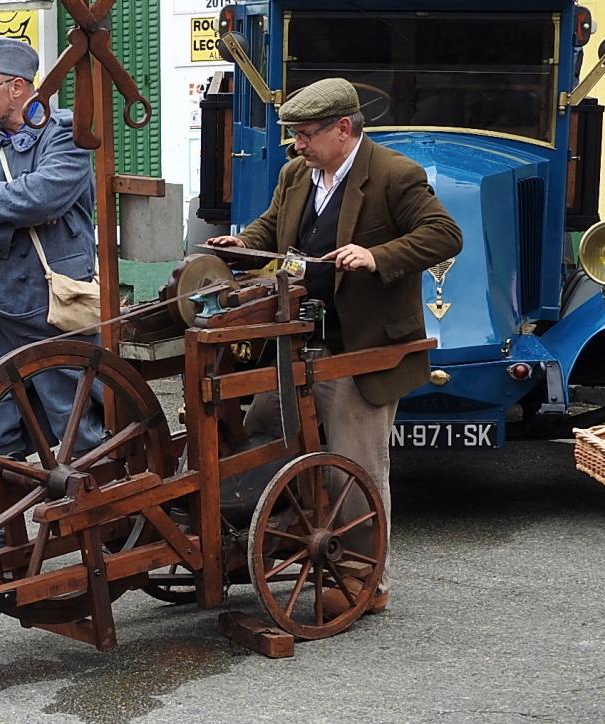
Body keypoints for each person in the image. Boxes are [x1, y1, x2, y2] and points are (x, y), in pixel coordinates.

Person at [207, 77, 463, 614]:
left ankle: (364, 581)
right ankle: (283, 545)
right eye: (294, 136)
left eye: (304, 134)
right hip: (297, 340)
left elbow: (444, 234)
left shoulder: (395, 174)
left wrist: (378, 256)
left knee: (356, 465)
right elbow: (274, 228)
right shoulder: (297, 173)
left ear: (342, 128)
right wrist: (243, 244)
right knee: (263, 435)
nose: (297, 145)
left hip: (360, 348)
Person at [0, 37, 105, 474]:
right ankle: (2, 532)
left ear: (17, 88)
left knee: (74, 423)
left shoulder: (67, 135)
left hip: (53, 306)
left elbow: (46, 196)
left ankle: (104, 524)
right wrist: (6, 227)